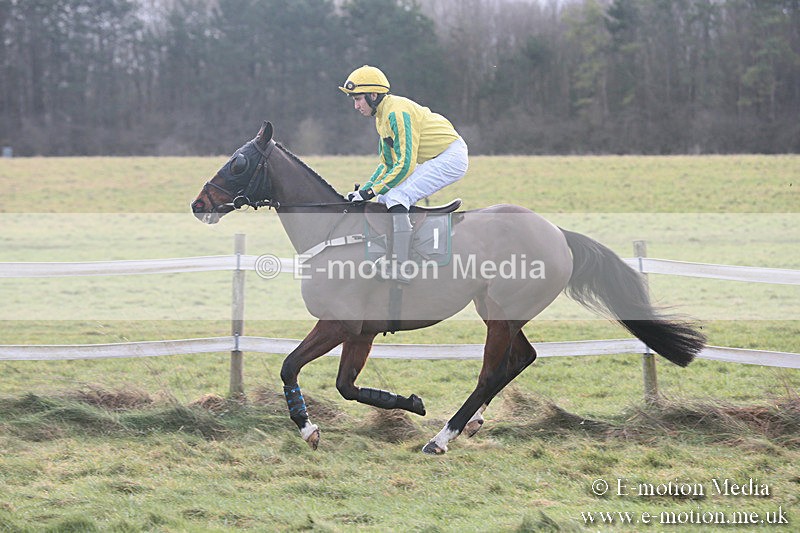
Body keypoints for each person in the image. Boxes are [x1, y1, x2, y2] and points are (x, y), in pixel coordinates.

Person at [339, 65, 468, 283]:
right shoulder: (381, 118)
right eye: (354, 99)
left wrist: (370, 191)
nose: (356, 105)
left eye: (358, 99)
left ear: (373, 95)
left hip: (450, 157)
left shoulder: (396, 113)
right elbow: (386, 164)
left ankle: (402, 265)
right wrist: (365, 191)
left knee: (397, 196)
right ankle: (390, 253)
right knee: (384, 197)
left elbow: (405, 165)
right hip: (435, 157)